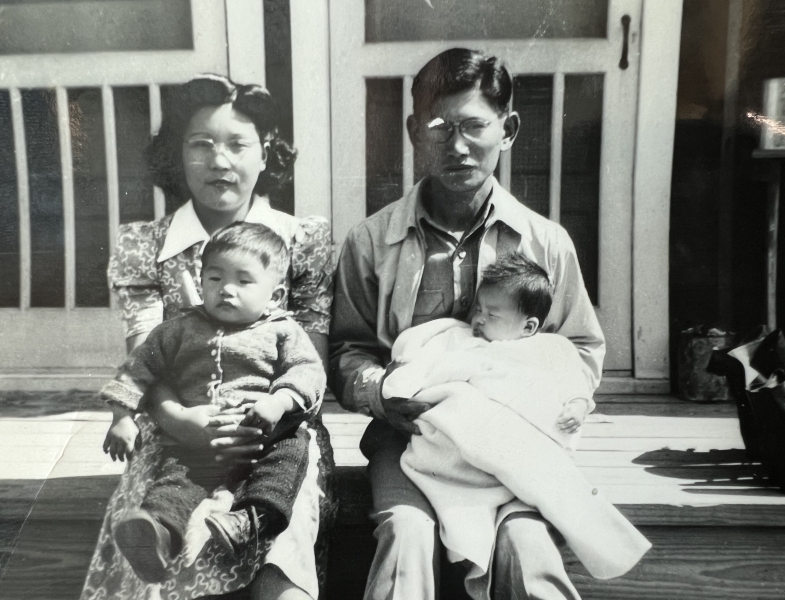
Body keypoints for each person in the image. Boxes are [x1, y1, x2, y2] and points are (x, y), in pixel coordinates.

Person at [329, 48, 605, 600]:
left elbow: (578, 348)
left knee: (527, 550)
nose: (456, 146)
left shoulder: (545, 243)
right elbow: (346, 351)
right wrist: (382, 392)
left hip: (514, 445)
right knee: (406, 537)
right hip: (410, 441)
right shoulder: (370, 242)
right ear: (413, 131)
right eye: (438, 127)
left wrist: (544, 400)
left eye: (474, 126)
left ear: (508, 129)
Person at [81, 74, 335, 600]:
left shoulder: (301, 240)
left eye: (238, 145)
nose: (220, 161)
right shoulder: (145, 243)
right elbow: (147, 355)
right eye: (201, 145)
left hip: (279, 433)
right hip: (176, 429)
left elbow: (311, 359)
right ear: (176, 156)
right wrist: (181, 421)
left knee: (283, 535)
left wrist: (271, 415)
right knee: (155, 523)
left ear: (266, 154)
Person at [381, 254, 651, 599]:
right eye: (478, 308)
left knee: (526, 532)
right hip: (461, 452)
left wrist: (577, 406)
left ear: (529, 327)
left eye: (492, 314)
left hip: (523, 448)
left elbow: (574, 384)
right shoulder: (463, 342)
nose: (479, 319)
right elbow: (426, 374)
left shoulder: (549, 348)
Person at [100, 222, 326, 583]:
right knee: (176, 479)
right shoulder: (180, 329)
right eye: (215, 278)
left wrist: (279, 402)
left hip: (263, 435)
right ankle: (156, 534)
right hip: (196, 439)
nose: (226, 290)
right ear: (201, 280)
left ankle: (250, 520)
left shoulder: (283, 330)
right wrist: (122, 416)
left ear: (276, 293)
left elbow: (308, 372)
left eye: (243, 281)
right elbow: (139, 366)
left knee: (289, 455)